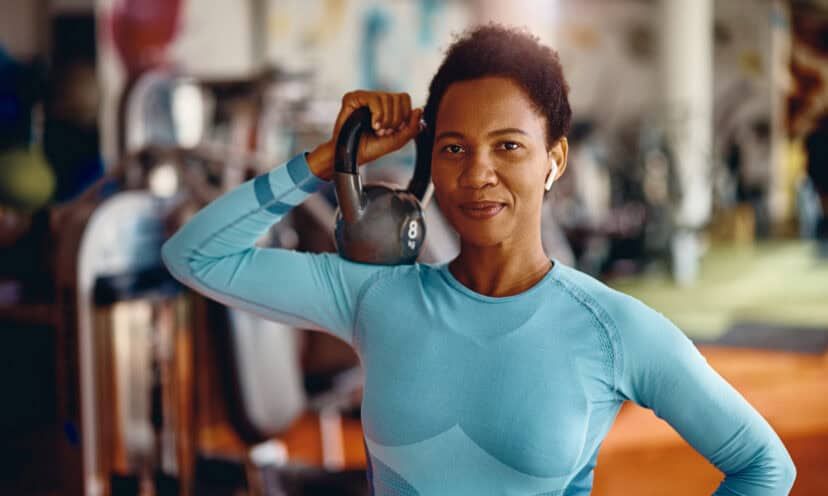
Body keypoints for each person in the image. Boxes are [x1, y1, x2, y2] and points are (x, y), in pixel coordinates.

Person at [163, 24, 795, 495]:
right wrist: (329, 157)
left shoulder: (612, 330)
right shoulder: (376, 297)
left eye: (509, 145)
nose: (478, 174)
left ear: (555, 161)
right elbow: (196, 256)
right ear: (430, 159)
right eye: (455, 147)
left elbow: (765, 467)